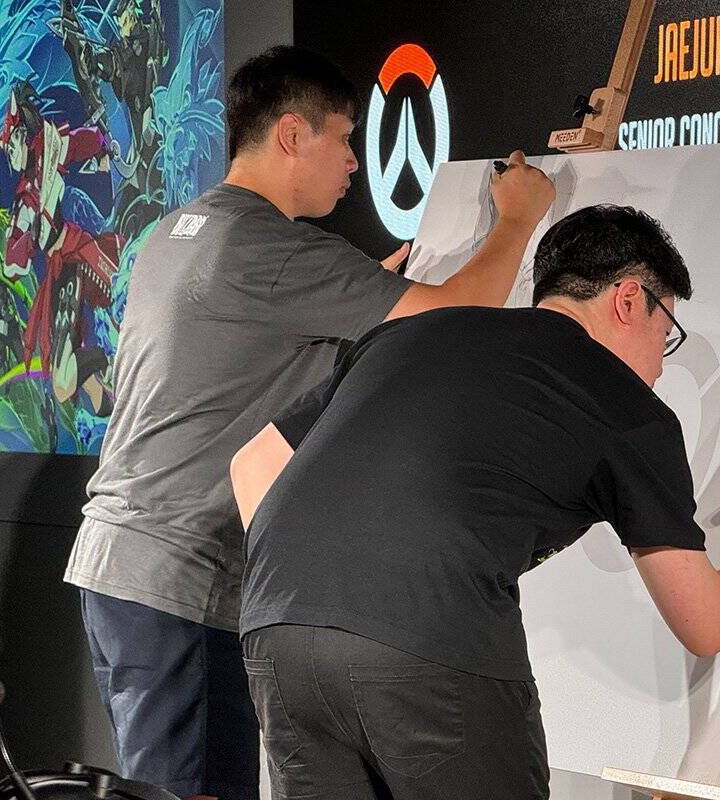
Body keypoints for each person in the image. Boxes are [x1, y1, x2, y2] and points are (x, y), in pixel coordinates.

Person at [63, 45, 554, 800]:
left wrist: (356, 304)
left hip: (128, 569)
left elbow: (235, 361)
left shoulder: (179, 230)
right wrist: (516, 221)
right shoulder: (271, 248)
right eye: (345, 138)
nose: (355, 162)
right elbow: (454, 315)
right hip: (183, 578)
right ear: (293, 134)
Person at [230, 204, 720, 800]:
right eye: (667, 335)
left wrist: (317, 585)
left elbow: (252, 464)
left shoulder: (409, 334)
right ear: (629, 299)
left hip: (275, 629)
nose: (661, 367)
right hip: (426, 639)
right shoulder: (626, 406)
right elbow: (705, 624)